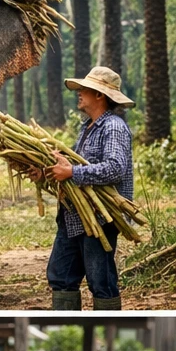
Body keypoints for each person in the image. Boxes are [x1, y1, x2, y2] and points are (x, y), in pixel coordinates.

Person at [41, 66, 134, 311]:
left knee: (100, 280)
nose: (79, 93)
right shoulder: (87, 127)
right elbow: (69, 166)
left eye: (85, 89)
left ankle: (107, 325)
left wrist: (72, 172)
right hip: (73, 216)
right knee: (60, 276)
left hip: (99, 217)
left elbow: (115, 169)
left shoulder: (113, 127)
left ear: (100, 95)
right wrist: (46, 172)